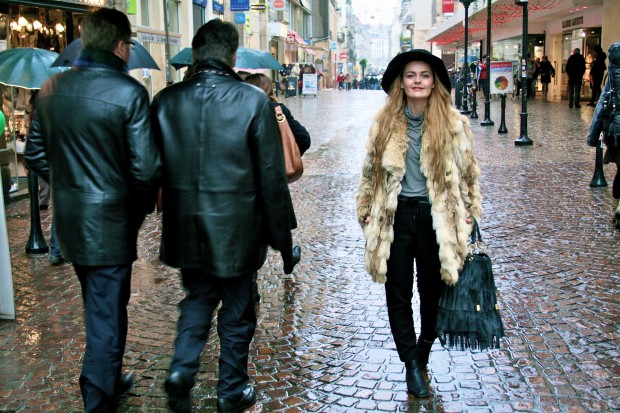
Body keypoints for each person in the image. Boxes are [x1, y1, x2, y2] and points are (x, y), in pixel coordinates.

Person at [151, 19, 300, 413]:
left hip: (186, 225)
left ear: (195, 54)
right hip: (238, 229)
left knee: (197, 298)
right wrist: (282, 237)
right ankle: (231, 389)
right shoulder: (253, 101)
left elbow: (152, 167)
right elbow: (271, 177)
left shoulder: (166, 100)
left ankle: (182, 368)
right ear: (233, 56)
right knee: (237, 310)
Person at [24, 8, 162, 412]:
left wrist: (71, 186)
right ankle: (97, 397)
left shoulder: (51, 87)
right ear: (121, 46)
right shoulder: (129, 92)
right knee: (105, 314)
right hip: (111, 224)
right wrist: (131, 206)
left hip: (71, 221)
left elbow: (35, 155)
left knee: (101, 304)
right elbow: (146, 169)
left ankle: (110, 377)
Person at [355, 49, 482, 398]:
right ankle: (411, 362)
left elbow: (469, 174)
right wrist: (365, 208)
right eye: (411, 75)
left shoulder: (453, 124)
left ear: (434, 82)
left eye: (425, 75)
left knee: (433, 293)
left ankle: (424, 344)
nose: (417, 81)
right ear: (401, 82)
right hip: (395, 217)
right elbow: (369, 173)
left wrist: (470, 211)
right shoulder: (384, 124)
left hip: (435, 219)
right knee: (397, 293)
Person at [245, 73, 311, 302]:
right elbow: (303, 138)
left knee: (251, 230)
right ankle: (288, 259)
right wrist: (284, 160)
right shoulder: (277, 109)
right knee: (278, 221)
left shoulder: (239, 109)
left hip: (246, 181)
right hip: (272, 179)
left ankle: (251, 283)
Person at [587, 42, 620, 229]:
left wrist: (593, 137)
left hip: (615, 133)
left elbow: (600, 109)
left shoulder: (611, 81)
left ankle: (616, 206)